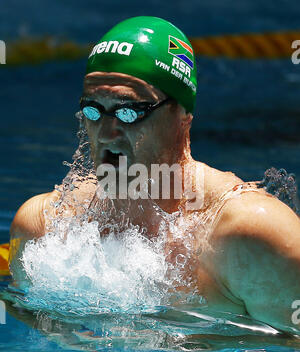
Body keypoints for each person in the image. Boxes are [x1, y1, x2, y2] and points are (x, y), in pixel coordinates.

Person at [9, 16, 300, 334]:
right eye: (93, 109)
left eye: (130, 111)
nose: (107, 133)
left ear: (183, 116)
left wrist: (195, 343)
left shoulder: (249, 237)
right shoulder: (45, 226)